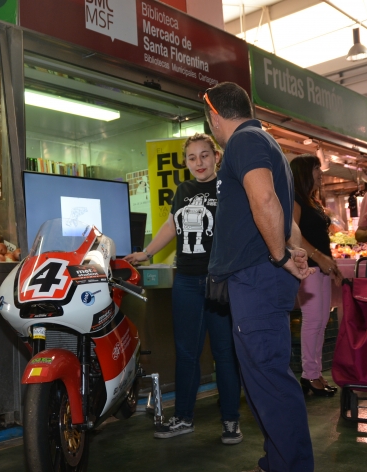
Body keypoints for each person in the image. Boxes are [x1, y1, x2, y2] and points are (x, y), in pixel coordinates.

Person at [203, 82, 315, 472]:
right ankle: (278, 460)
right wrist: (290, 248)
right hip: (260, 276)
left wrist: (281, 253)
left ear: (215, 116)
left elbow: (264, 200)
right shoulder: (265, 143)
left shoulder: (243, 142)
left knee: (268, 378)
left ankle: (290, 466)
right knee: (264, 377)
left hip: (256, 278)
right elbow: (282, 210)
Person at [124, 133, 242, 445]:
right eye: (192, 158)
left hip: (219, 281)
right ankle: (184, 418)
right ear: (186, 162)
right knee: (186, 352)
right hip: (187, 281)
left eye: (204, 155)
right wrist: (146, 252)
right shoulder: (184, 190)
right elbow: (172, 225)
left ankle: (231, 420)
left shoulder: (228, 186)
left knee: (224, 354)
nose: (199, 162)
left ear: (216, 156)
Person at [290, 155, 343, 397]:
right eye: (316, 169)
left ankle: (316, 372)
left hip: (320, 267)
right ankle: (309, 375)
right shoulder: (295, 199)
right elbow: (293, 236)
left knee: (321, 321)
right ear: (304, 172)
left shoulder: (312, 200)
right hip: (307, 267)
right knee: (313, 321)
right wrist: (319, 257)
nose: (320, 173)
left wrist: (330, 263)